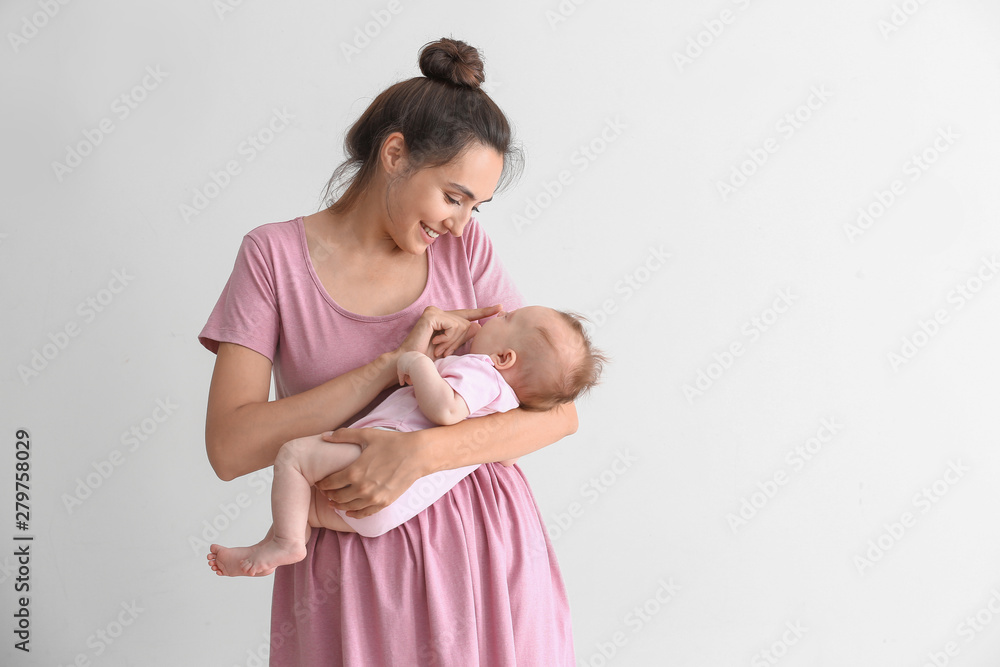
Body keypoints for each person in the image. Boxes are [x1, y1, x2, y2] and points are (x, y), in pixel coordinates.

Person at [200, 37, 583, 664]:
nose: (462, 223)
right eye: (454, 197)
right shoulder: (273, 259)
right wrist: (386, 367)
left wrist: (420, 454)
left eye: (477, 206)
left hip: (488, 560)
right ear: (396, 153)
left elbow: (557, 410)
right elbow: (230, 447)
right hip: (350, 574)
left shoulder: (465, 251)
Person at [206, 304, 604, 576]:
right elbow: (505, 455)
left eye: (509, 317)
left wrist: (415, 362)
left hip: (376, 464)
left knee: (294, 456)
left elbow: (446, 410)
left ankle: (282, 542)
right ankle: (280, 541)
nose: (497, 312)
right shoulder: (505, 404)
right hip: (393, 510)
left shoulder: (480, 372)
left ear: (503, 358)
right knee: (306, 503)